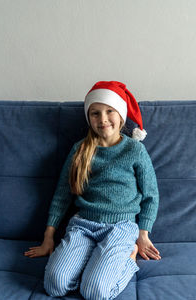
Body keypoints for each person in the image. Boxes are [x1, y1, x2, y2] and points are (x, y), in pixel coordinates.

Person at [24, 81, 161, 300]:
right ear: (89, 118)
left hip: (121, 228)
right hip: (83, 226)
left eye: (110, 111)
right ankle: (88, 262)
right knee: (54, 285)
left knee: (94, 292)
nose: (103, 119)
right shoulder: (80, 149)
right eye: (95, 113)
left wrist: (143, 234)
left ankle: (129, 259)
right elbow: (62, 195)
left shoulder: (135, 150)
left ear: (121, 116)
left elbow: (151, 195)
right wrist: (48, 237)